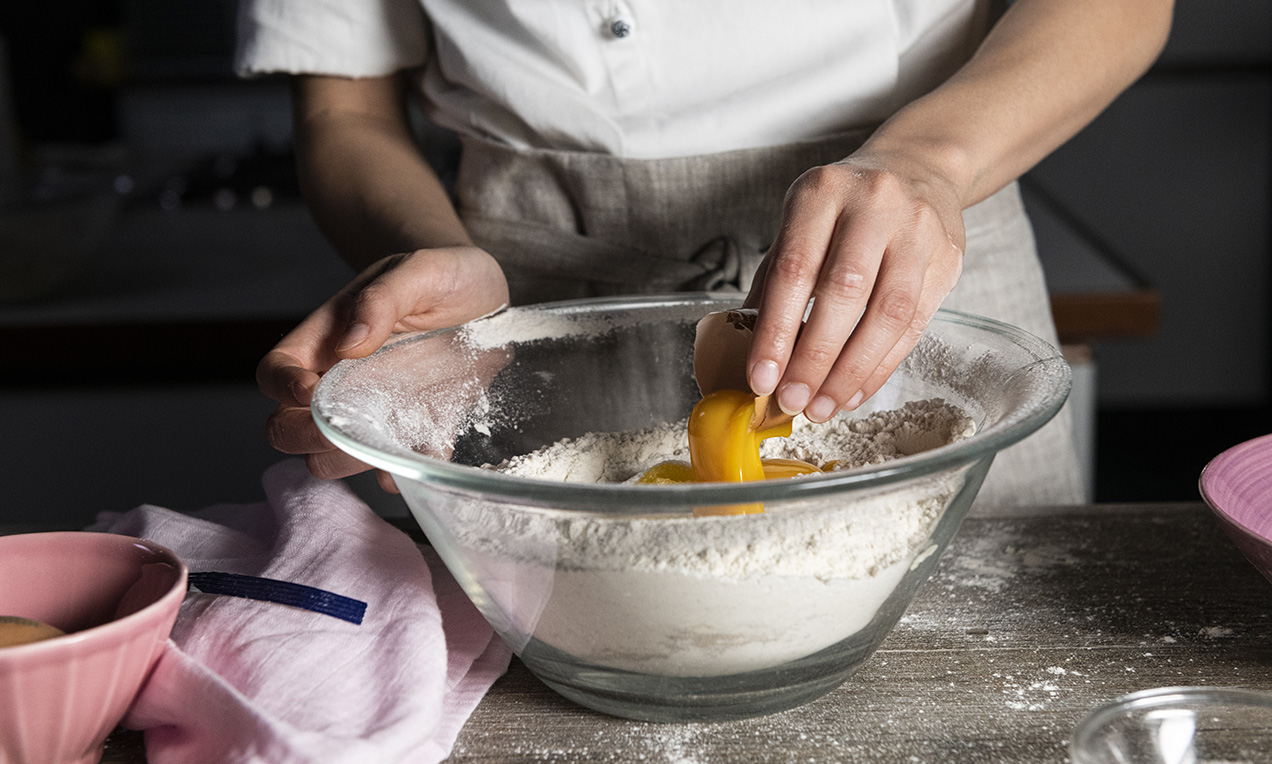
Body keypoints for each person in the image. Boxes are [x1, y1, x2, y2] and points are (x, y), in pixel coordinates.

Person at [238, 0, 1172, 508]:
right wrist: (432, 251)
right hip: (532, 308)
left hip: (905, 242)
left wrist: (927, 161)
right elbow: (344, 110)